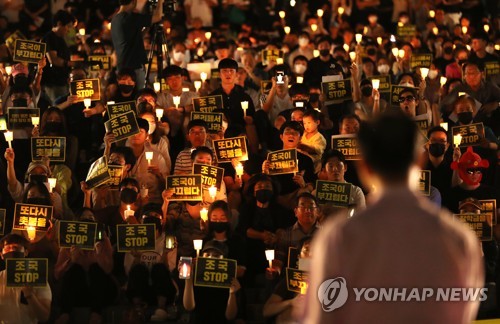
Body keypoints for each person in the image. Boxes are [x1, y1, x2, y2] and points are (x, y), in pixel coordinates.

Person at [305, 112, 484, 323]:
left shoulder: (339, 236)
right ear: (420, 160)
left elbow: (323, 315)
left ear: (364, 166)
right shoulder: (458, 237)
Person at [111, 0, 164, 88]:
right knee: (140, 93)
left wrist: (148, 26)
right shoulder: (130, 17)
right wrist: (160, 2)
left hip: (123, 65)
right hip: (134, 65)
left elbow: (134, 37)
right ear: (133, 2)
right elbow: (158, 17)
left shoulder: (116, 19)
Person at [0, 233, 51, 323]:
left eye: (16, 248)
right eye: (8, 248)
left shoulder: (37, 278)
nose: (12, 251)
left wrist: (29, 295)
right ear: (1, 255)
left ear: (26, 252)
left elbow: (44, 317)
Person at [42, 10, 76, 103]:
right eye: (68, 26)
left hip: (62, 80)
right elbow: (53, 59)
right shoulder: (49, 37)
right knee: (57, 106)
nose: (69, 30)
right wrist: (71, 63)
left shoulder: (60, 39)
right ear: (59, 23)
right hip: (53, 82)